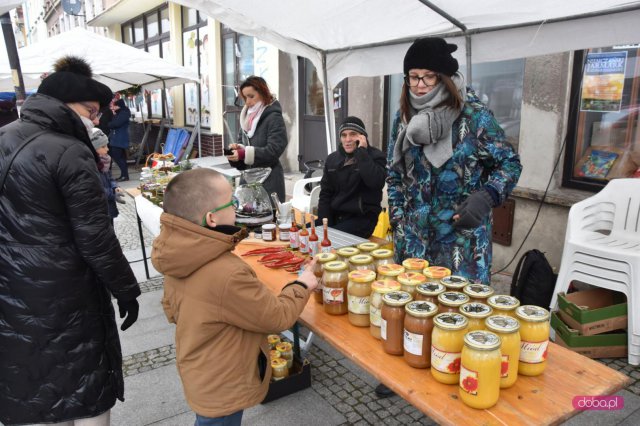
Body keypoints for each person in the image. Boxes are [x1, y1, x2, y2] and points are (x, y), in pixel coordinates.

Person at [0, 56, 140, 425]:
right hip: (67, 294)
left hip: (15, 289)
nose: (95, 120)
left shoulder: (6, 134)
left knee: (37, 385)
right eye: (90, 111)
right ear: (64, 104)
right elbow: (95, 237)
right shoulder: (68, 149)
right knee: (84, 390)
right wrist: (126, 288)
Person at [151, 168, 318, 426]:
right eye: (233, 202)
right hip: (223, 382)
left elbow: (171, 310)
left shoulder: (179, 257)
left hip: (200, 370)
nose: (238, 208)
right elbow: (277, 317)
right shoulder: (226, 273)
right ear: (212, 218)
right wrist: (302, 284)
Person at [387, 37, 522, 284]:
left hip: (462, 245)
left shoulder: (474, 116)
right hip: (414, 244)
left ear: (444, 77)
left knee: (457, 318)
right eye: (413, 76)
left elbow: (510, 164)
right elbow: (394, 173)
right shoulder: (403, 118)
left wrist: (487, 196)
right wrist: (397, 217)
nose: (419, 85)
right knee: (415, 317)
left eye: (428, 76)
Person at [317, 116, 386, 238]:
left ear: (362, 137)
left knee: (329, 238)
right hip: (336, 216)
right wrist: (324, 222)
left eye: (352, 134)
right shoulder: (333, 159)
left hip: (362, 219)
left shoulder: (376, 156)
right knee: (303, 234)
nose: (347, 139)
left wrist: (362, 153)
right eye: (344, 135)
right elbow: (325, 193)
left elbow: (375, 182)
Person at [226, 76, 288, 201]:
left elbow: (275, 149)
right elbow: (241, 143)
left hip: (269, 182)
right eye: (245, 97)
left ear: (263, 93)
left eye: (251, 96)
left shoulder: (274, 117)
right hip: (248, 181)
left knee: (268, 219)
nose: (247, 102)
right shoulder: (247, 117)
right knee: (246, 218)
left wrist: (245, 153)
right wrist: (237, 150)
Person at [91, 128, 126, 226]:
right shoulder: (91, 165)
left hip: (109, 207)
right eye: (103, 146)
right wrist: (112, 194)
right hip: (100, 210)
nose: (107, 149)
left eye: (107, 145)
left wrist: (115, 187)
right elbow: (96, 189)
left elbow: (109, 177)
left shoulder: (105, 160)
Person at [109, 98, 131, 182]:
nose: (113, 108)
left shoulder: (124, 113)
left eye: (115, 106)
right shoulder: (120, 113)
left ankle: (125, 175)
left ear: (119, 106)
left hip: (120, 138)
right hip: (117, 138)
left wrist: (109, 124)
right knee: (120, 157)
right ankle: (124, 175)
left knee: (117, 156)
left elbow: (116, 123)